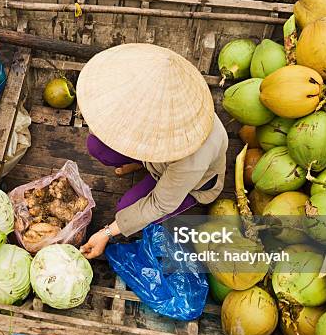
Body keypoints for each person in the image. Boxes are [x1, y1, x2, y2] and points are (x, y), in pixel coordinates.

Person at [76, 43, 228, 259]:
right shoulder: (148, 80)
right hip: (156, 159)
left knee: (126, 210)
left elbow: (160, 204)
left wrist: (106, 233)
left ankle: (155, 176)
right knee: (97, 145)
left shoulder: (192, 155)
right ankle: (143, 164)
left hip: (191, 184)